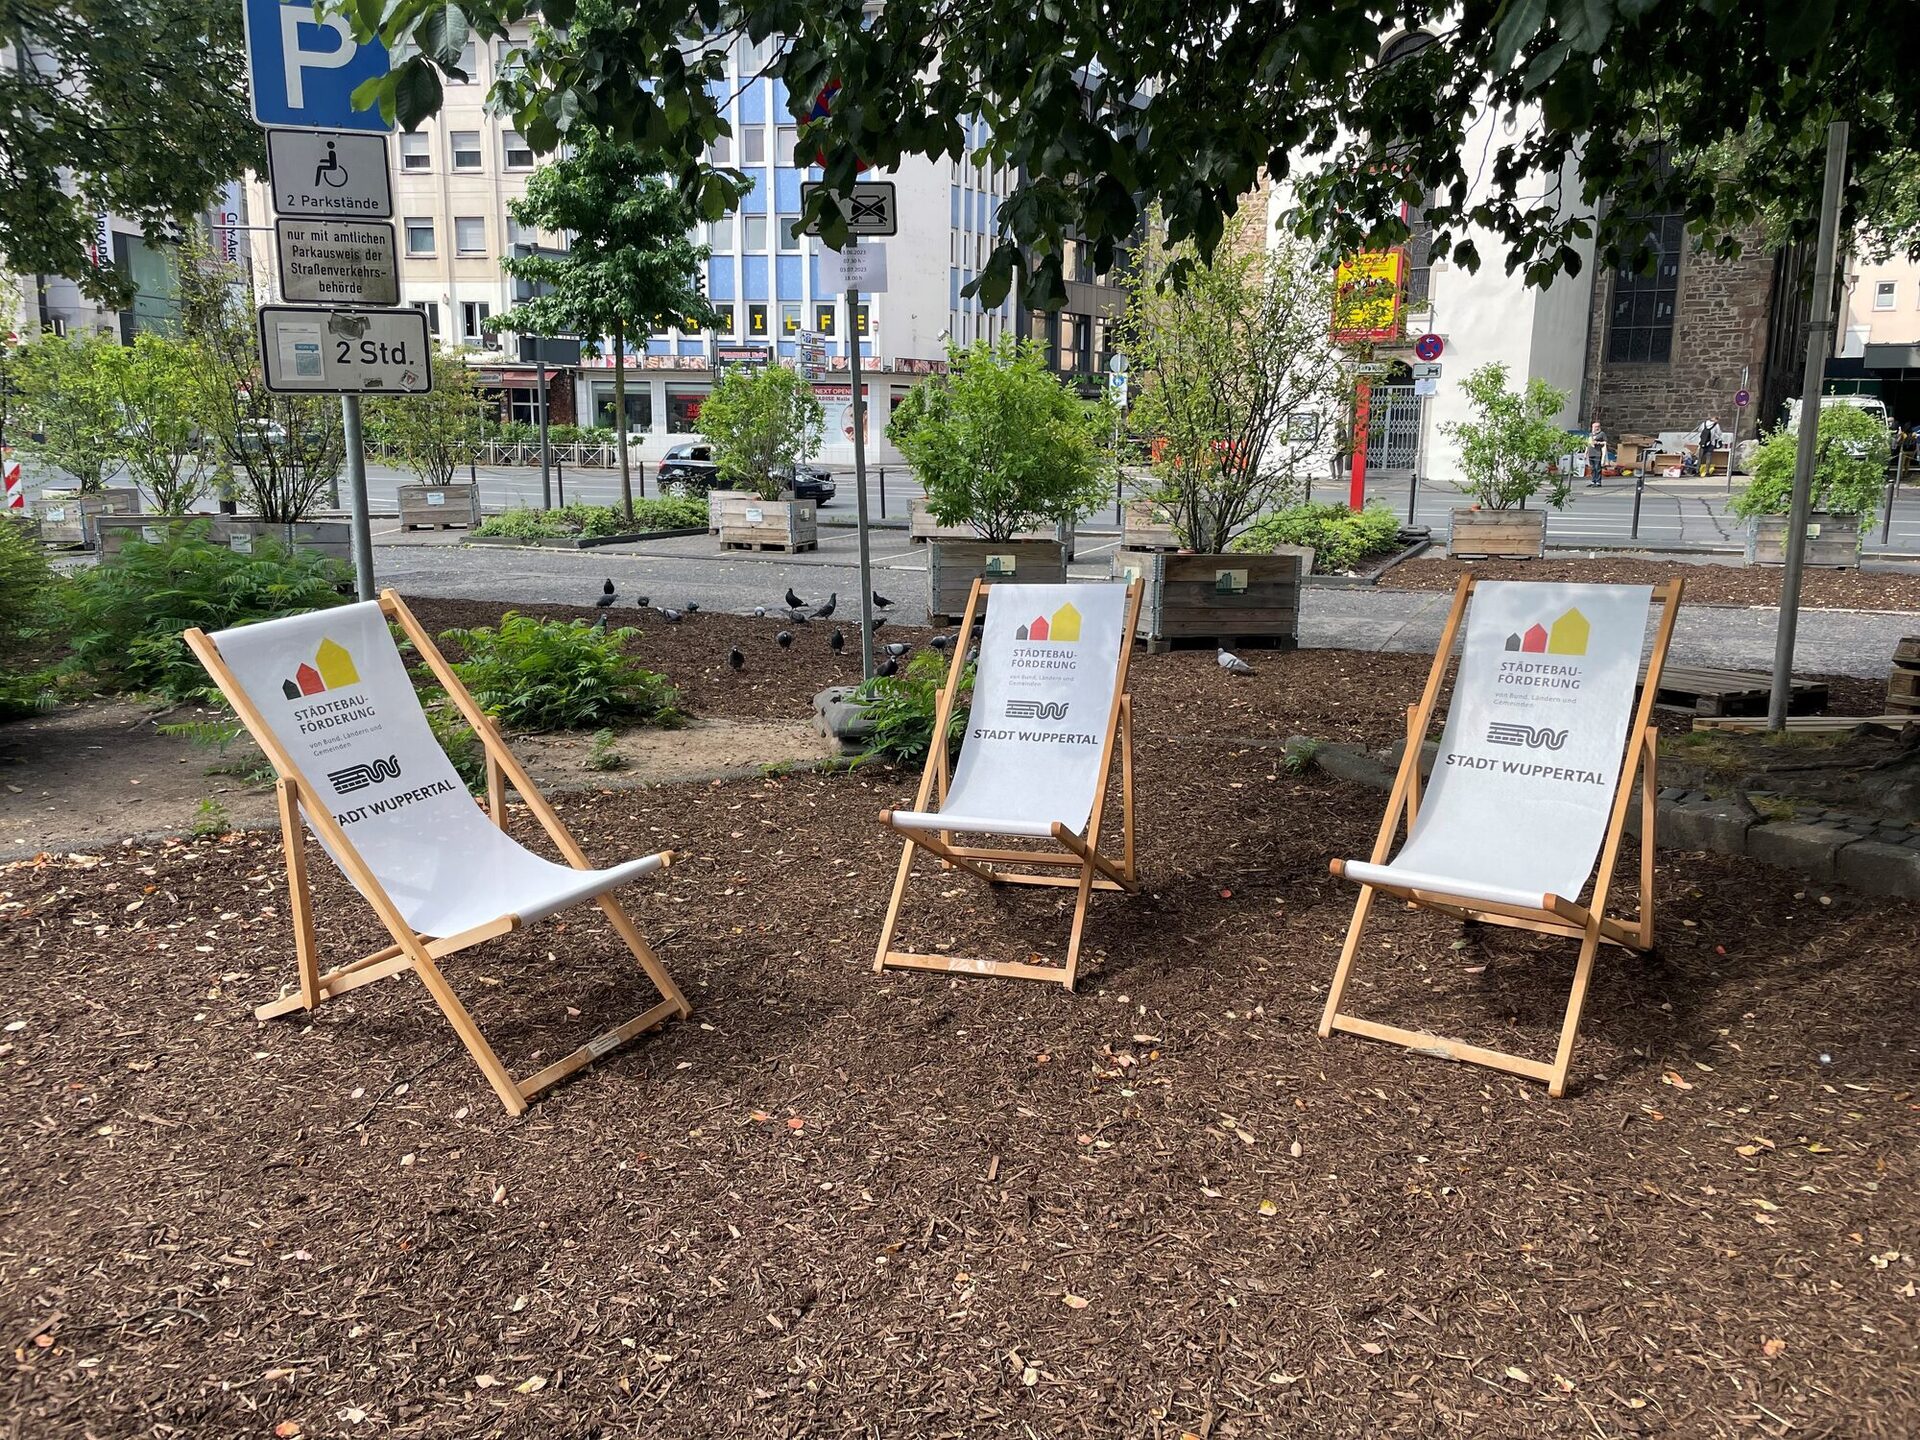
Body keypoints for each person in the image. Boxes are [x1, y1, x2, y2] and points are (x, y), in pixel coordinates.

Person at [1585, 420, 1606, 487]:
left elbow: (1605, 443)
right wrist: (1586, 453)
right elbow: (1588, 443)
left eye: (1594, 427)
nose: (1593, 428)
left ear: (1598, 427)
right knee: (1592, 468)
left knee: (1597, 468)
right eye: (1593, 427)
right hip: (1591, 453)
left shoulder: (1602, 434)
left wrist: (1598, 443)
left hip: (1597, 453)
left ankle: (1598, 482)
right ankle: (1593, 481)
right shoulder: (1590, 434)